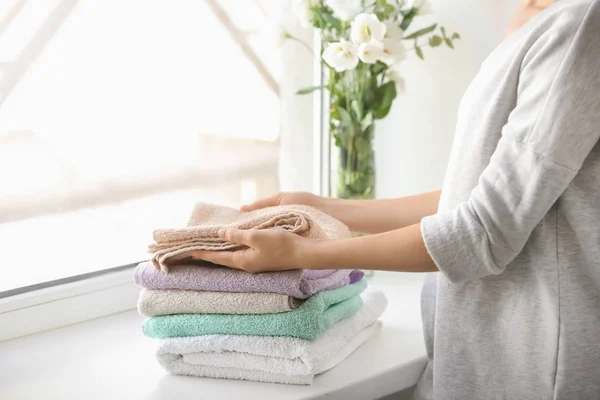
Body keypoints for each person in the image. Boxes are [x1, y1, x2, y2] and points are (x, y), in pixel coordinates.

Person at [193, 0, 600, 398]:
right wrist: (325, 208)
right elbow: (476, 195)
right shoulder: (541, 15)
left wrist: (306, 252)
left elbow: (482, 232)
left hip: (537, 363)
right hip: (481, 349)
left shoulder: (582, 25)